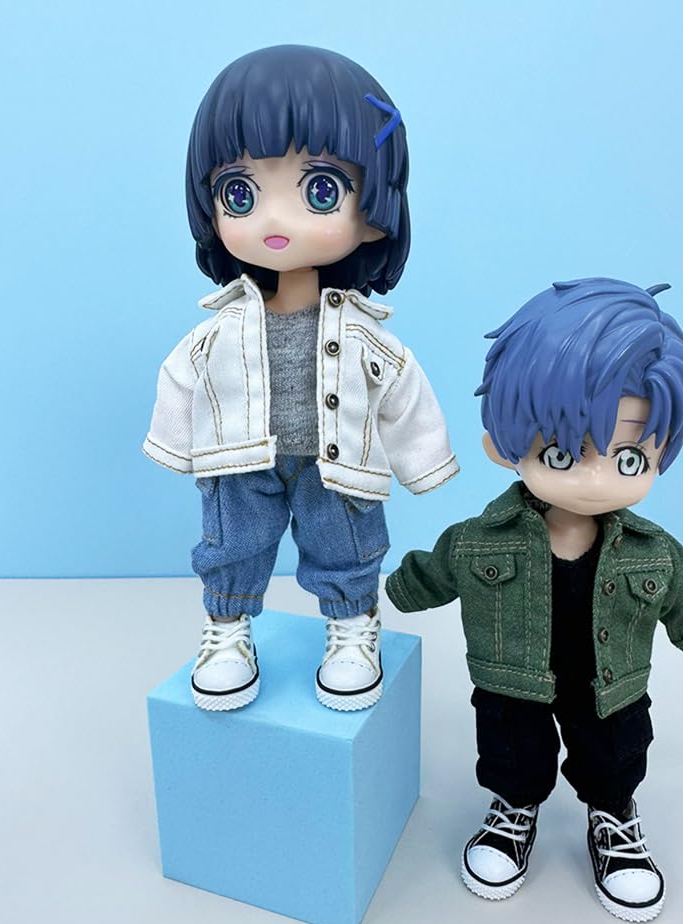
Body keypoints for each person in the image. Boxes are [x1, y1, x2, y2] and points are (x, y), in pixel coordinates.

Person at [384, 278, 683, 921]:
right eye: (563, 452)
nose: (597, 478)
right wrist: (393, 592)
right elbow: (433, 571)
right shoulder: (479, 541)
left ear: (663, 452)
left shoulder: (652, 552)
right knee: (512, 748)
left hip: (610, 682)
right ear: (502, 445)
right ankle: (514, 809)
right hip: (513, 678)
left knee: (616, 750)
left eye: (630, 458)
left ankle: (614, 816)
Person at [144, 46, 457, 713]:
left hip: (333, 460)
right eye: (240, 193)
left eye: (320, 190)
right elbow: (184, 376)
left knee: (345, 544)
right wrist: (176, 448)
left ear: (374, 207)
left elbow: (401, 390)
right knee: (231, 545)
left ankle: (352, 629)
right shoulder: (221, 328)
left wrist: (424, 463)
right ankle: (227, 631)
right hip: (239, 459)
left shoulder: (365, 333)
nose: (274, 221)